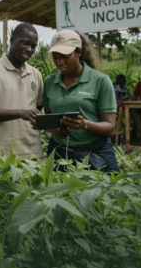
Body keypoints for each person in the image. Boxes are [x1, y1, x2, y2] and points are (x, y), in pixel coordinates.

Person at [42, 30, 118, 173]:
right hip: (59, 151)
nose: (59, 63)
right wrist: (55, 130)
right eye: (55, 57)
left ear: (79, 52)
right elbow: (49, 117)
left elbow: (109, 128)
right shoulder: (50, 82)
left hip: (95, 151)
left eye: (65, 57)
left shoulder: (100, 81)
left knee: (107, 191)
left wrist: (84, 124)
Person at [0, 23, 44, 159]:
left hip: (33, 153)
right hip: (0, 155)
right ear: (12, 41)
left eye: (33, 46)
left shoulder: (36, 74)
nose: (29, 49)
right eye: (25, 43)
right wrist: (19, 113)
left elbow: (40, 110)